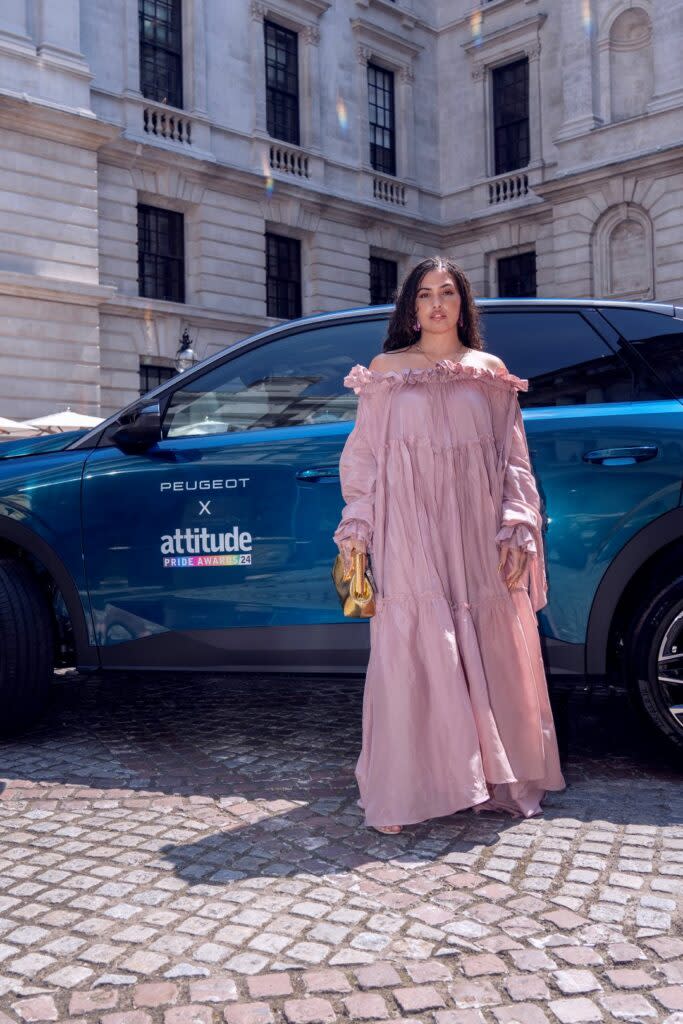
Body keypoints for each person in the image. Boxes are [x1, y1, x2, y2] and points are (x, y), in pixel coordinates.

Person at [333, 256, 566, 835]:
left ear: (463, 305)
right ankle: (414, 786)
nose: (437, 305)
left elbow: (514, 456)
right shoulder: (385, 370)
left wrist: (517, 521)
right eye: (425, 295)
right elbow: (363, 457)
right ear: (410, 309)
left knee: (489, 641)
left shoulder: (489, 371)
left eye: (448, 294)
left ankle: (492, 780)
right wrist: (356, 527)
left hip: (476, 524)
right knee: (415, 641)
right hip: (407, 525)